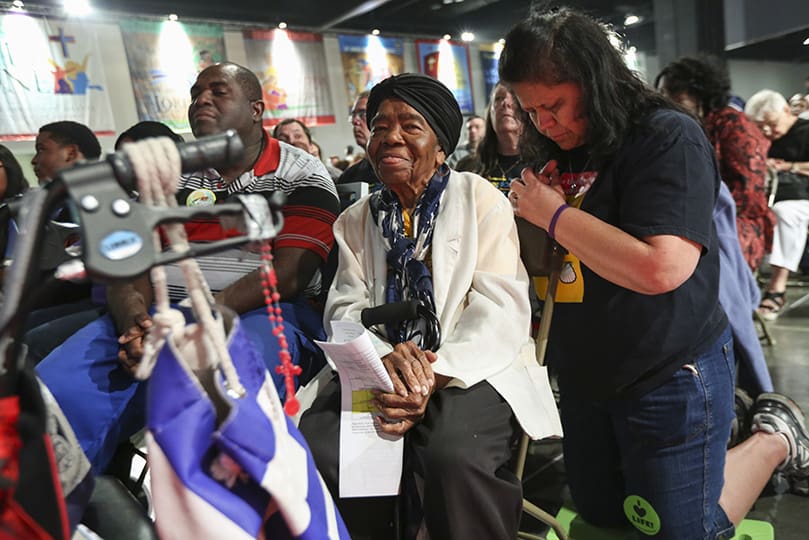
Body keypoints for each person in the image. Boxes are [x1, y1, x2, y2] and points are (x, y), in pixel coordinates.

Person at [501, 8, 808, 539]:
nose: (543, 122)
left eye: (553, 105)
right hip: (584, 376)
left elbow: (662, 267)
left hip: (669, 369)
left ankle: (774, 437)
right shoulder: (553, 151)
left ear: (594, 81)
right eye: (531, 111)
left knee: (682, 530)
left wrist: (554, 214)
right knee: (603, 521)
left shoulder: (666, 136)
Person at [36, 62, 340, 473]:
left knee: (224, 399)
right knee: (52, 397)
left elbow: (287, 276)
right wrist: (135, 322)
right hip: (158, 314)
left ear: (255, 109)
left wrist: (194, 319)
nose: (202, 99)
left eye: (218, 91)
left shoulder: (299, 173)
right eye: (196, 92)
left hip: (259, 311)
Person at [298, 73, 561, 540]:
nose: (389, 138)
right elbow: (344, 309)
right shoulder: (356, 220)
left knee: (453, 451)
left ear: (441, 145)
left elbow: (499, 308)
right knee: (322, 446)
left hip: (472, 365)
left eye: (409, 125)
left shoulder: (481, 200)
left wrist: (430, 375)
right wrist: (386, 362)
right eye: (379, 127)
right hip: (382, 367)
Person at [655, 55, 775, 273]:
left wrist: (699, 215)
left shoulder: (733, 124)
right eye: (665, 92)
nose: (667, 99)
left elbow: (750, 193)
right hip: (694, 213)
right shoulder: (684, 125)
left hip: (733, 220)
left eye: (675, 93)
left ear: (700, 93)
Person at [744, 89, 809, 320]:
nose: (768, 131)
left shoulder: (805, 130)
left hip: (801, 197)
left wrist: (789, 166)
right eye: (761, 127)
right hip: (769, 195)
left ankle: (776, 287)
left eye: (771, 124)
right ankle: (743, 287)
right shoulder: (763, 138)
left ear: (785, 110)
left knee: (785, 214)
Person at [455, 82, 526, 195]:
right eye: (498, 98)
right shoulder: (468, 166)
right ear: (490, 113)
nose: (505, 103)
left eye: (514, 97)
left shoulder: (542, 166)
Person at [272, 118, 343, 180]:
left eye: (298, 136)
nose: (291, 141)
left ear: (311, 145)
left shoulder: (334, 177)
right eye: (283, 139)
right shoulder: (270, 182)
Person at [337, 91, 380, 189]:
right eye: (353, 115)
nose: (354, 121)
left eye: (362, 113)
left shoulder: (400, 170)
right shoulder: (349, 177)